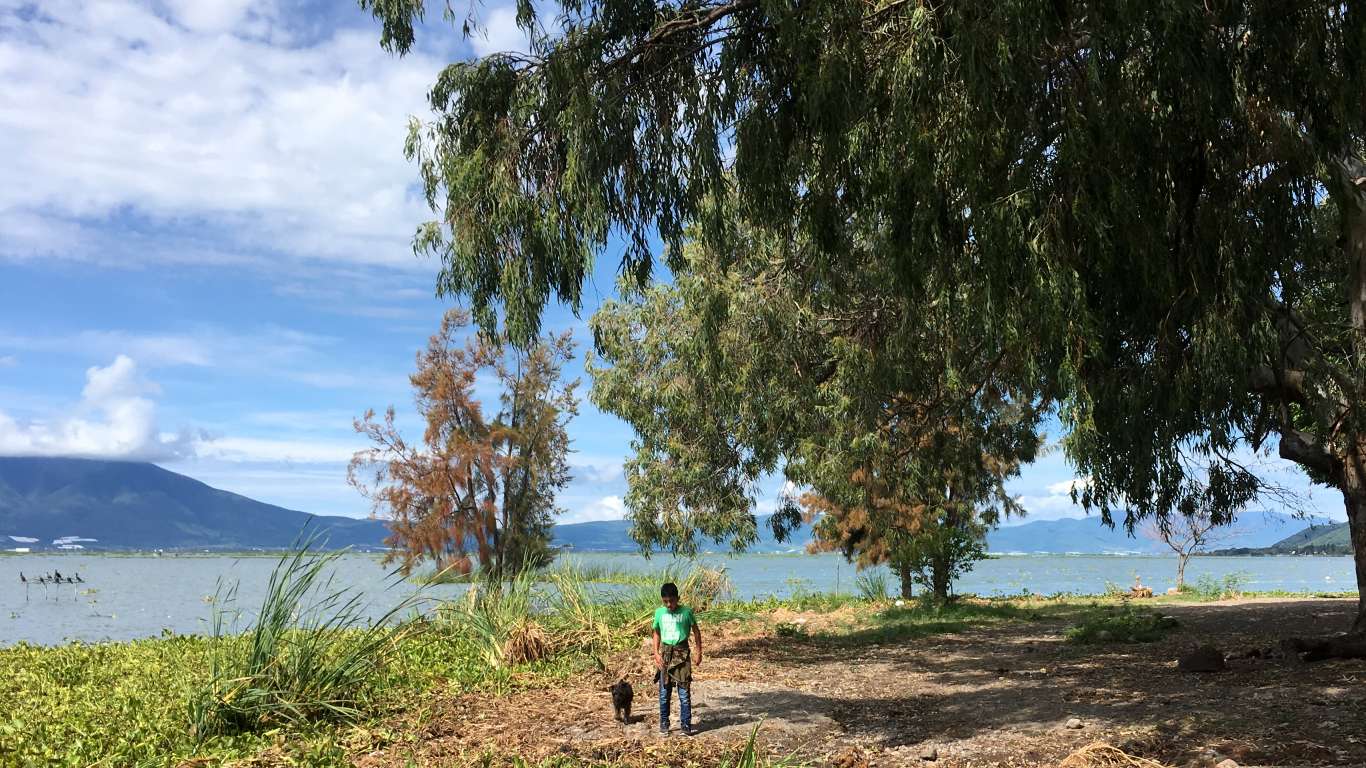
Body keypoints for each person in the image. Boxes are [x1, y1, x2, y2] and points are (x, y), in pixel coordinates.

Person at [653, 581, 701, 735]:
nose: (669, 605)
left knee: (684, 692)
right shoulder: (659, 613)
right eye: (666, 601)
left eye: (672, 601)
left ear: (678, 598)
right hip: (665, 653)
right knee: (664, 692)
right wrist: (656, 653)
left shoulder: (686, 612)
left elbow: (696, 631)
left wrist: (698, 651)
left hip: (682, 652)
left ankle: (686, 724)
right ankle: (664, 722)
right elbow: (657, 633)